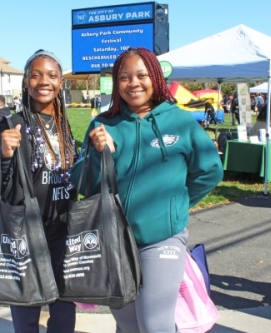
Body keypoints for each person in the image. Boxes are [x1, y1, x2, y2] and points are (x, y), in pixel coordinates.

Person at [70, 47, 223, 333]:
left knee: (155, 323)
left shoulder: (179, 121)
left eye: (141, 75)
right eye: (124, 77)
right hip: (113, 240)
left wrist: (175, 205)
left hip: (161, 239)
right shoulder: (103, 124)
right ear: (117, 84)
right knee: (127, 323)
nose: (134, 83)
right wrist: (98, 154)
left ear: (154, 77)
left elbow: (210, 171)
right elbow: (84, 185)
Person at [0, 49, 78, 333]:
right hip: (26, 233)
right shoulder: (12, 124)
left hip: (64, 233)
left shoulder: (64, 125)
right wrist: (5, 154)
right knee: (27, 313)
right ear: (26, 82)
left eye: (52, 75)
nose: (44, 81)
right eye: (36, 75)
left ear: (60, 83)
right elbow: (2, 187)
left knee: (65, 310)